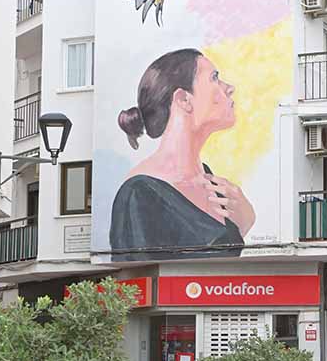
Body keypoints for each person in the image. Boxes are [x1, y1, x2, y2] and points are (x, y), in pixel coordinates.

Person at [109, 48, 255, 259]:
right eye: (214, 78)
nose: (229, 88)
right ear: (184, 99)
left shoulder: (211, 182)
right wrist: (243, 224)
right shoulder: (139, 194)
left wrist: (244, 223)